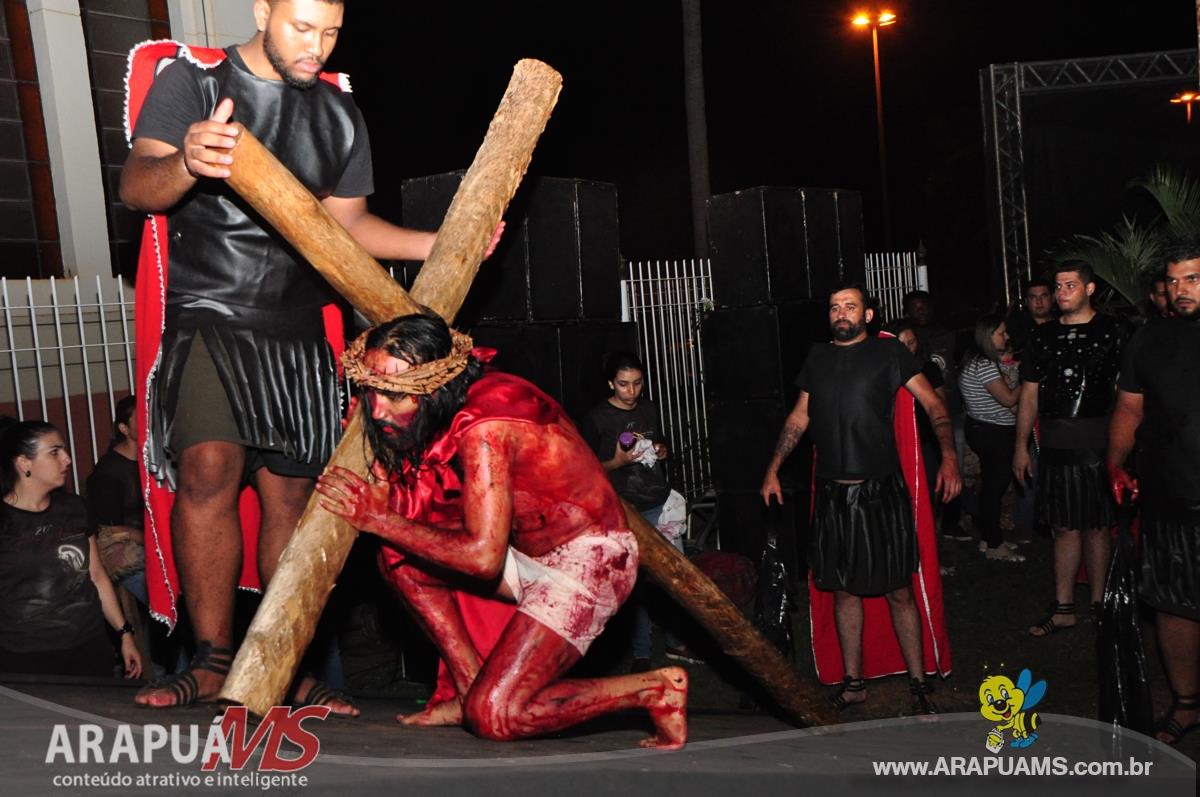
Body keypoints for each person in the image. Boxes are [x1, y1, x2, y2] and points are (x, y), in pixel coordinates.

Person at [119, 0, 499, 710]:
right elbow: (138, 185)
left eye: (330, 32)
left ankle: (282, 664)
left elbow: (348, 225)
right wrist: (186, 162)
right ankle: (212, 660)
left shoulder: (339, 114)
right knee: (207, 467)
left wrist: (443, 245)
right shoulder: (192, 83)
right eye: (301, 27)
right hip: (210, 313)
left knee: (291, 497)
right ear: (262, 10)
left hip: (296, 327)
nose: (316, 46)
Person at [315, 314, 689, 749]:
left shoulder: (485, 426)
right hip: (533, 558)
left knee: (497, 716)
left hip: (594, 562)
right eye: (372, 391)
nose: (377, 410)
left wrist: (379, 519)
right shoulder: (462, 398)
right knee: (400, 559)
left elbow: (482, 558)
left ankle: (653, 689)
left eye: (395, 394)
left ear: (435, 386)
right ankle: (467, 690)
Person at [760, 285, 961, 713]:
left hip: (880, 493)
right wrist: (773, 468)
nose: (841, 313)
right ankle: (854, 683)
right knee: (843, 590)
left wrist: (948, 457)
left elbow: (933, 404)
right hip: (832, 494)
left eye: (850, 306)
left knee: (898, 590)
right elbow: (799, 417)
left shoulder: (889, 354)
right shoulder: (818, 357)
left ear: (868, 315)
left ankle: (918, 682)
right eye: (835, 307)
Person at [1108, 236, 1200, 745]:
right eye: (1174, 280)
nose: (1181, 289)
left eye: (1193, 278)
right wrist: (1115, 463)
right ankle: (1187, 704)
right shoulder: (1148, 339)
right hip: (1168, 495)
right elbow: (1129, 407)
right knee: (1172, 603)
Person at [1013, 261, 1123, 636]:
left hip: (1098, 443)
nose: (1061, 293)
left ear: (1090, 289)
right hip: (1056, 445)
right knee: (1064, 527)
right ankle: (1063, 608)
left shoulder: (1113, 331)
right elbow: (1029, 395)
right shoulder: (1042, 337)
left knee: (1097, 526)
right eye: (1058, 286)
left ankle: (1099, 604)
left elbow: (1129, 393)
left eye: (1070, 286)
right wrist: (1020, 446)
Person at [0, 418, 142, 679]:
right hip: (24, 657)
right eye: (54, 452)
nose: (67, 459)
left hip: (89, 646)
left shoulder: (74, 508)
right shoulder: (5, 520)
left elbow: (96, 576)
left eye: (64, 450)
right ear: (24, 463)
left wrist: (125, 634)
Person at [580, 352, 693, 672]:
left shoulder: (648, 409)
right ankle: (642, 653)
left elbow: (661, 442)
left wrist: (662, 449)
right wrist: (617, 463)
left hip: (659, 503)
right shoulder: (597, 418)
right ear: (610, 384)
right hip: (625, 511)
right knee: (637, 584)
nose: (631, 391)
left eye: (637, 383)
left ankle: (675, 641)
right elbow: (584, 471)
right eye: (623, 384)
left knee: (673, 579)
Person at [958, 315, 1025, 561]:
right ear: (988, 336)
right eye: (1001, 333)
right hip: (993, 432)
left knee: (990, 487)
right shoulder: (984, 365)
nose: (1006, 337)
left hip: (984, 428)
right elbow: (1008, 399)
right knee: (994, 488)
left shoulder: (976, 360)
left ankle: (989, 537)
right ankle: (995, 544)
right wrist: (1027, 380)